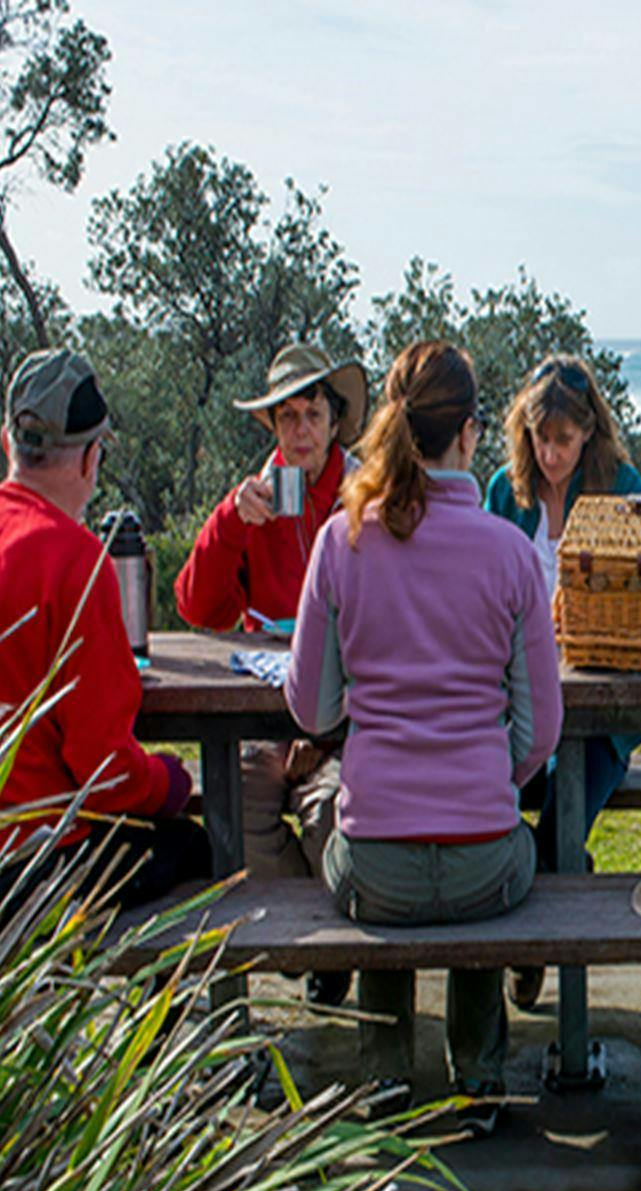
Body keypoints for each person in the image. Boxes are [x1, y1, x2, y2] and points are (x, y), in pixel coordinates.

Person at [286, 341, 560, 1132]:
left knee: (365, 851)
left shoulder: (341, 541)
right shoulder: (510, 555)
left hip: (375, 869)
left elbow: (311, 709)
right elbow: (540, 729)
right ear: (470, 436)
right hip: (485, 865)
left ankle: (383, 1079)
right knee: (492, 854)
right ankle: (477, 1078)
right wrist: (487, 777)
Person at [0, 347, 209, 910]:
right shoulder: (77, 560)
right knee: (194, 849)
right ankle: (174, 997)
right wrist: (171, 782)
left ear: (8, 443)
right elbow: (104, 772)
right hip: (24, 867)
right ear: (90, 460)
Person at [177, 343, 367, 1005]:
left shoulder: (367, 497)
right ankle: (305, 944)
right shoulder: (252, 500)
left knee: (329, 823)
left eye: (311, 414)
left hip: (348, 720)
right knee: (232, 814)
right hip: (264, 713)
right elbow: (198, 607)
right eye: (286, 418)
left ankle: (335, 949)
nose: (300, 431)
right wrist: (229, 520)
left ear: (335, 421)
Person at [483, 355, 641, 1007]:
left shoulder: (621, 485)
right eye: (539, 438)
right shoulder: (504, 489)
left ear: (589, 435)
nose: (549, 454)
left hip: (601, 708)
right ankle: (551, 898)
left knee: (558, 820)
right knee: (486, 802)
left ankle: (532, 950)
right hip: (516, 702)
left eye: (563, 440)